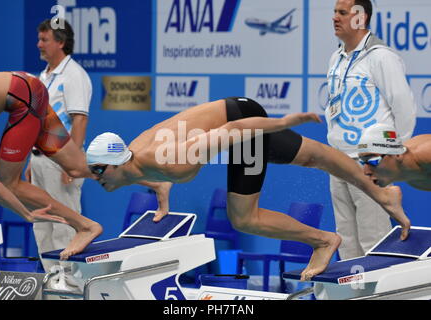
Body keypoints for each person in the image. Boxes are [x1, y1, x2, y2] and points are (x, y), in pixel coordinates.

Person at [86, 97, 410, 281]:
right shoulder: (131, 162)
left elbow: (236, 130)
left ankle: (330, 236)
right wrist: (158, 187)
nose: (96, 178)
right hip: (231, 117)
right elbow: (133, 172)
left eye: (99, 171)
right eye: (93, 172)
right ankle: (347, 222)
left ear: (115, 163)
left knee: (249, 212)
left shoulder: (172, 160)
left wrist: (284, 122)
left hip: (242, 121)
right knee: (302, 167)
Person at [325, 0, 416, 259]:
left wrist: (394, 158)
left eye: (342, 13)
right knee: (346, 241)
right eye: (334, 12)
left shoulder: (382, 57)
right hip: (338, 160)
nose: (335, 18)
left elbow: (404, 108)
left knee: (373, 240)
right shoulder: (336, 58)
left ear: (360, 18)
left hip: (369, 163)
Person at [0, 71, 102, 260]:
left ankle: (85, 225)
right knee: (77, 167)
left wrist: (27, 214)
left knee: (7, 183)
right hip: (29, 85)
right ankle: (149, 176)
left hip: (23, 99)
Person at [24, 18, 92, 278]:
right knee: (42, 222)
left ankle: (72, 283)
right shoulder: (43, 76)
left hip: (62, 160)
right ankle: (53, 281)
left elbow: (80, 119)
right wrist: (32, 159)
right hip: (40, 158)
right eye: (39, 39)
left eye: (44, 40)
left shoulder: (74, 75)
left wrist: (72, 163)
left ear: (61, 43)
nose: (39, 44)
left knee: (66, 224)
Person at [358, 124, 431, 191]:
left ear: (398, 155)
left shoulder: (426, 153)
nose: (366, 172)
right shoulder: (415, 180)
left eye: (373, 161)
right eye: (362, 162)